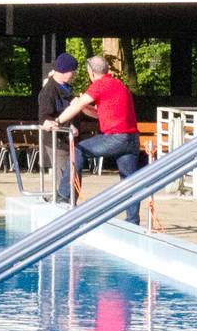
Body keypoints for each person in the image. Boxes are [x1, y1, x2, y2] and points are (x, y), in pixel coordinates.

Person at [52, 53, 148, 222]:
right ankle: (133, 221)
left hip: (116, 138)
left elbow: (79, 105)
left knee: (79, 151)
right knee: (129, 180)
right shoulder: (119, 85)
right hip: (132, 139)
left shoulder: (100, 85)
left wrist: (58, 121)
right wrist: (83, 107)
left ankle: (65, 196)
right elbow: (100, 114)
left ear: (91, 72)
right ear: (107, 69)